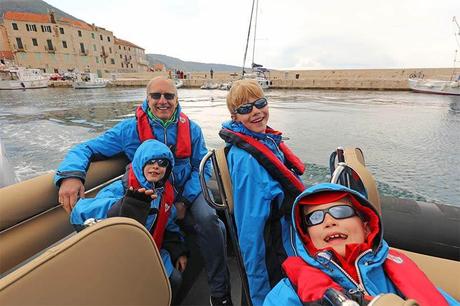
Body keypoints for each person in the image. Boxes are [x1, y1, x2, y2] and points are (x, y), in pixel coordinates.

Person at [55, 76, 232, 305]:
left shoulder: (193, 130)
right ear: (147, 99)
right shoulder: (129, 130)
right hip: (151, 193)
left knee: (211, 220)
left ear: (177, 100)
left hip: (186, 191)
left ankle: (220, 293)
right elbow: (87, 147)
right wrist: (70, 175)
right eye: (156, 95)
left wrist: (185, 201)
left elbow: (203, 166)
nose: (162, 101)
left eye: (169, 96)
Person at [264, 183, 459, 305]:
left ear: (366, 227)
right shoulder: (287, 294)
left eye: (341, 212)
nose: (329, 221)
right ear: (307, 237)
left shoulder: (397, 274)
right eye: (315, 218)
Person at [220, 79, 305, 305]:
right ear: (235, 116)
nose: (256, 112)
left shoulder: (266, 141)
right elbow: (251, 229)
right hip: (274, 247)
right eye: (245, 109)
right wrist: (257, 289)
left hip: (287, 233)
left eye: (260, 103)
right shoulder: (248, 161)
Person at [70, 139, 187, 298]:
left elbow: (169, 224)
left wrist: (178, 251)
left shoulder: (165, 194)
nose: (156, 166)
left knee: (175, 280)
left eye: (162, 163)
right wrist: (125, 205)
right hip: (118, 255)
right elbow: (80, 212)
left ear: (168, 169)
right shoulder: (121, 189)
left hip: (150, 250)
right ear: (140, 163)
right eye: (150, 161)